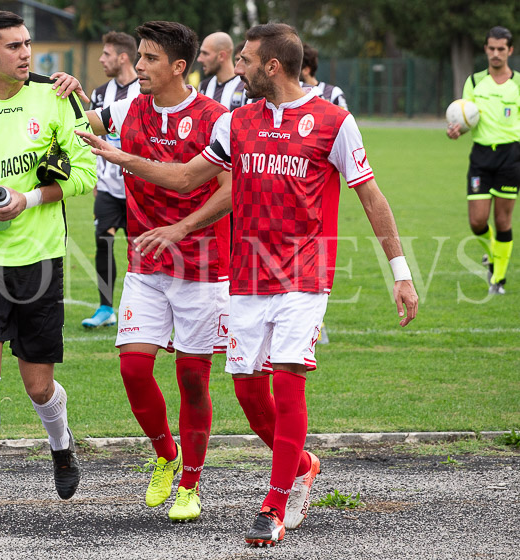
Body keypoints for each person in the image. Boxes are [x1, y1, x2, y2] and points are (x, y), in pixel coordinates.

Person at [78, 22, 418, 546]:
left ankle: (273, 506)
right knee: (248, 391)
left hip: (305, 275)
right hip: (246, 277)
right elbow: (186, 178)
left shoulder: (334, 122)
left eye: (245, 59)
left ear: (272, 67)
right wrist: (122, 158)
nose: (236, 67)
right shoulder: (237, 122)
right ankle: (302, 466)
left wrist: (401, 273)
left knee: (288, 379)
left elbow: (371, 197)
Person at [0, 10, 96, 528]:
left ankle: (61, 443)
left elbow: (86, 173)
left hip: (40, 260)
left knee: (37, 386)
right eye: (13, 46)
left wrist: (28, 198)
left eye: (27, 44)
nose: (26, 53)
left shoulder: (56, 96)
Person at [78, 20, 231, 523]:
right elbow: (81, 122)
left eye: (149, 59)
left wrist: (181, 228)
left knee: (192, 379)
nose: (138, 66)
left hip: (203, 266)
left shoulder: (216, 118)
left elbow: (229, 190)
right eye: (138, 56)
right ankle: (167, 454)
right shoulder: (128, 108)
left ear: (179, 66)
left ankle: (191, 484)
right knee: (133, 369)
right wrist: (64, 95)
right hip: (146, 265)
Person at [447, 26, 520, 295]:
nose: (496, 53)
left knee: (502, 220)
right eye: (492, 48)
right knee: (477, 221)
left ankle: (497, 279)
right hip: (481, 156)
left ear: (510, 50)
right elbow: (465, 116)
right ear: (486, 49)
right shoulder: (475, 82)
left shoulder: (518, 84)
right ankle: (492, 252)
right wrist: (456, 130)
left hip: (511, 156)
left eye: (501, 49)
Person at [81, 31, 140, 329]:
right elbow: (90, 134)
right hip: (107, 187)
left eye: (106, 54)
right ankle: (106, 308)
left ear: (123, 57)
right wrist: (94, 176)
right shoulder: (101, 93)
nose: (101, 59)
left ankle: (138, 307)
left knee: (139, 249)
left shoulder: (144, 90)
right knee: (103, 242)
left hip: (137, 188)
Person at [197, 32, 242, 110]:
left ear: (221, 56)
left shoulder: (244, 87)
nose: (199, 59)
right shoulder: (204, 86)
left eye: (205, 53)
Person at [300, 43, 347, 110]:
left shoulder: (334, 93)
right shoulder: (291, 95)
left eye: (294, 68)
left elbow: (343, 116)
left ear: (306, 70)